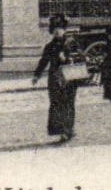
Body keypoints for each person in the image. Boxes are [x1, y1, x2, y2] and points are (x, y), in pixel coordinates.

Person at [31, 14, 80, 143]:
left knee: (68, 104)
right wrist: (36, 75)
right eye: (55, 30)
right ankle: (60, 130)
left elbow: (80, 57)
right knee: (56, 104)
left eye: (60, 29)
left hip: (69, 78)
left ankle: (67, 130)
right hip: (54, 78)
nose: (57, 32)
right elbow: (43, 61)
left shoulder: (71, 43)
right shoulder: (50, 46)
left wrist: (68, 58)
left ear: (64, 29)